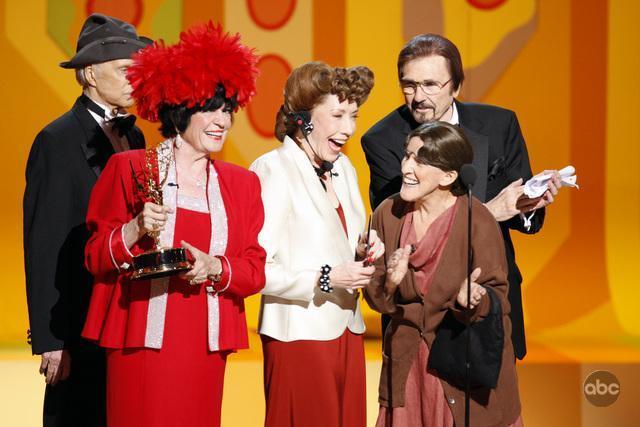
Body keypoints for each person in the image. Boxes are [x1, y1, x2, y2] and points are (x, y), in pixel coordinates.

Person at [79, 23, 265, 427]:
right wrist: (134, 229)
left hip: (205, 348)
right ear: (180, 110)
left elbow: (254, 268)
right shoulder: (129, 169)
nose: (223, 121)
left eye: (228, 109)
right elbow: (94, 257)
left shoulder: (242, 184)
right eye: (210, 109)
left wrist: (215, 267)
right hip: (140, 344)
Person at [361, 33, 561, 359]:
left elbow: (530, 221)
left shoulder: (499, 125)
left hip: (490, 299)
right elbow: (404, 229)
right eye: (409, 85)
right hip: (422, 309)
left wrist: (530, 205)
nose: (418, 97)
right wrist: (488, 213)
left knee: (495, 407)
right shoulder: (382, 140)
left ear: (456, 86)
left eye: (430, 84)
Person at [23, 13, 148, 426]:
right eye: (123, 70)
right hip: (76, 319)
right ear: (90, 73)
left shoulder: (136, 136)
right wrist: (50, 339)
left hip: (123, 316)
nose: (134, 79)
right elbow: (43, 245)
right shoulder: (56, 141)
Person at [250, 61, 384, 427]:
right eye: (338, 115)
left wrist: (365, 249)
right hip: (299, 335)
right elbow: (257, 268)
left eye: (354, 116)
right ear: (304, 118)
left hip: (346, 330)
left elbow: (345, 240)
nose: (349, 129)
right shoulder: (273, 169)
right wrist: (327, 277)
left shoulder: (344, 169)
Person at [365, 121, 523, 427]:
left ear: (449, 176)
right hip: (409, 369)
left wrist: (476, 300)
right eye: (407, 155)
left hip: (461, 366)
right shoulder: (388, 213)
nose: (407, 167)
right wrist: (391, 282)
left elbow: (499, 299)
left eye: (420, 161)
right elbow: (376, 298)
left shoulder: (476, 218)